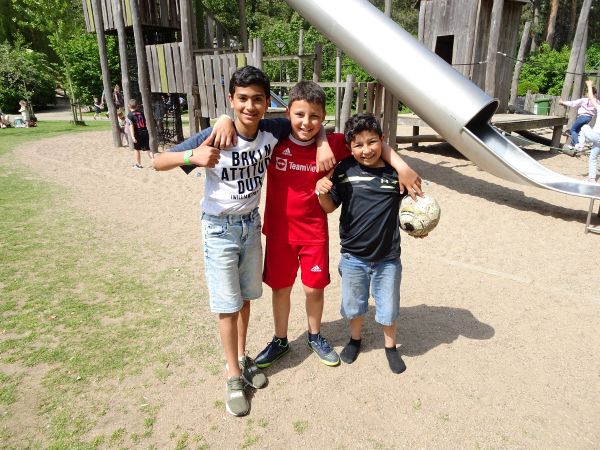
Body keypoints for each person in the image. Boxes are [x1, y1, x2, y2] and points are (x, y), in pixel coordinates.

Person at [152, 66, 334, 417]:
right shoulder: (215, 135)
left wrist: (324, 140)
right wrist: (192, 156)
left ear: (267, 104)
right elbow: (158, 161)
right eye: (242, 99)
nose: (250, 106)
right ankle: (233, 377)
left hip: (251, 226)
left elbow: (308, 120)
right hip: (219, 228)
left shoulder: (272, 129)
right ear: (231, 99)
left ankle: (241, 356)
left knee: (246, 299)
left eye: (257, 99)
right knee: (228, 305)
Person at [254, 81, 423, 369]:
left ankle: (315, 336)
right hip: (279, 232)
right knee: (280, 289)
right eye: (299, 115)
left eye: (315, 117)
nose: (306, 122)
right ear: (287, 113)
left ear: (323, 117)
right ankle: (280, 340)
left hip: (314, 233)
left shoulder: (334, 144)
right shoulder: (274, 139)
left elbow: (370, 142)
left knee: (313, 290)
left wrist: (402, 166)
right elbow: (243, 128)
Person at [316, 112, 426, 374]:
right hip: (353, 257)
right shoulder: (344, 170)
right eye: (358, 145)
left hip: (388, 258)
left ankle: (391, 347)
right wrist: (321, 193)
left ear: (382, 140)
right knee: (354, 305)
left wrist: (420, 226)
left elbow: (414, 208)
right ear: (349, 147)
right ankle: (355, 339)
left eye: (372, 142)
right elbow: (330, 207)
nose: (366, 150)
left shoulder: (395, 174)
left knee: (389, 307)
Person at [580, 80, 600, 184]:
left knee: (584, 127)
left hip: (597, 136)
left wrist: (589, 85)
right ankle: (592, 179)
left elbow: (591, 98)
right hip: (598, 141)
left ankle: (580, 145)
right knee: (593, 157)